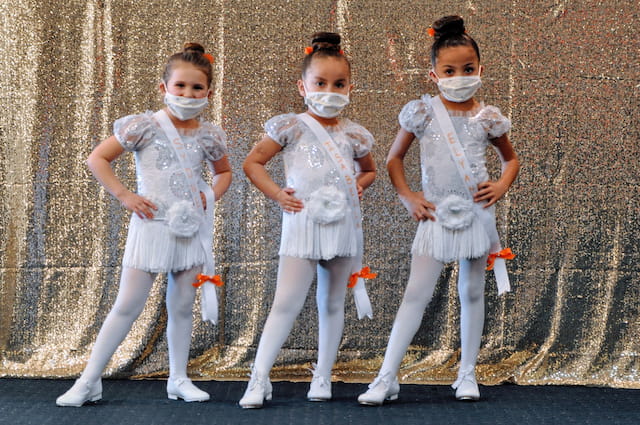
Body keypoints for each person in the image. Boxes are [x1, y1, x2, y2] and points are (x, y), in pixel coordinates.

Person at [56, 43, 232, 407]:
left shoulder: (209, 134)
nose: (188, 93)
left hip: (189, 230)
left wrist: (209, 195)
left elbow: (225, 173)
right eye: (180, 86)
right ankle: (89, 380)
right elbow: (98, 158)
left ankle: (179, 379)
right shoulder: (144, 126)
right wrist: (125, 195)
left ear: (209, 92)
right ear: (163, 87)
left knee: (182, 305)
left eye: (196, 88)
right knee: (127, 305)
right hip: (151, 226)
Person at [358, 15, 519, 405]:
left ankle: (467, 374)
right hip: (435, 216)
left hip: (476, 215)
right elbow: (395, 159)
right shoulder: (423, 111)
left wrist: (500, 185)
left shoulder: (488, 117)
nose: (459, 76)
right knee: (416, 293)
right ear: (433, 75)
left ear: (480, 70)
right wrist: (408, 196)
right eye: (449, 70)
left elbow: (510, 160)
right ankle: (386, 377)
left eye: (467, 69)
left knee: (471, 291)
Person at [239, 32, 377, 409]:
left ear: (350, 86)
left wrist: (358, 186)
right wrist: (278, 194)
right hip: (302, 224)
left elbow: (369, 171)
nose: (329, 90)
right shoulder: (291, 126)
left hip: (342, 225)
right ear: (303, 86)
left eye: (339, 84)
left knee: (332, 303)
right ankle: (259, 377)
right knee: (285, 302)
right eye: (320, 83)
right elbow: (253, 163)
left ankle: (323, 375)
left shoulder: (354, 133)